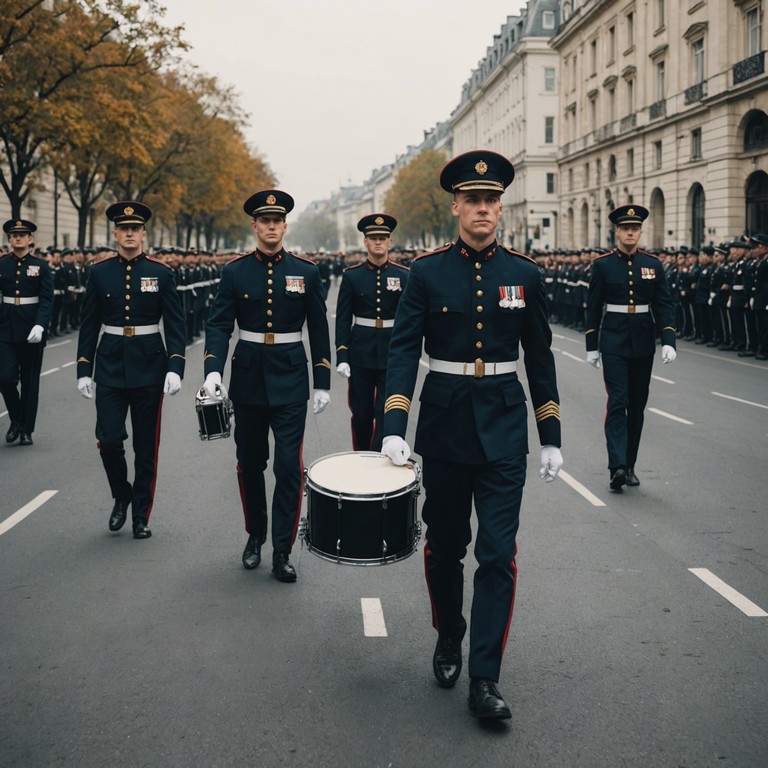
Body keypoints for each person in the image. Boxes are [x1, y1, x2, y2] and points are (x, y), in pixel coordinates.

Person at [381, 151, 563, 721]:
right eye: (473, 200)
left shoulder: (524, 274)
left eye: (491, 201)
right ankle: (448, 632)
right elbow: (404, 350)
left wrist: (550, 433)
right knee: (444, 548)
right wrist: (393, 424)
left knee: (497, 555)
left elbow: (540, 356)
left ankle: (485, 677)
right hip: (443, 426)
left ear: (500, 208)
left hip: (506, 428)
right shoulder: (427, 273)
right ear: (457, 206)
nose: (483, 208)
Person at [203, 189, 331, 582]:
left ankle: (282, 548)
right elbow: (220, 324)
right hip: (249, 379)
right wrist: (212, 370)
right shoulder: (235, 271)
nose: (271, 226)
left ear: (284, 225)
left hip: (291, 378)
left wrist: (322, 381)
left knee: (289, 467)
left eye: (277, 221)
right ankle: (255, 533)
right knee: (251, 463)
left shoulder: (306, 271)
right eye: (265, 221)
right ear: (255, 226)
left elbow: (319, 329)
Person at [76, 201, 186, 539]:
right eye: (123, 228)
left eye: (134, 228)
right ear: (115, 233)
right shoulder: (99, 272)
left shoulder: (163, 272)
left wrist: (175, 366)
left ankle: (140, 514)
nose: (129, 233)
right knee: (108, 439)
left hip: (149, 365)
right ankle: (121, 495)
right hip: (109, 364)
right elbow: (89, 323)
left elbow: (177, 325)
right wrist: (83, 368)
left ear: (143, 233)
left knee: (145, 446)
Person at [584, 205, 677, 490]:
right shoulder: (602, 265)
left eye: (635, 229)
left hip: (643, 342)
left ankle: (631, 464)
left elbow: (663, 305)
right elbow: (594, 306)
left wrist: (669, 340)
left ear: (640, 231)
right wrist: (592, 345)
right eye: (625, 228)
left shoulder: (653, 264)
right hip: (613, 341)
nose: (630, 233)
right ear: (617, 231)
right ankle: (617, 467)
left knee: (636, 407)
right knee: (618, 402)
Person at [335, 213, 409, 451]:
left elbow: (409, 319)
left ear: (389, 242)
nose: (378, 242)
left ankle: (378, 457)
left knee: (386, 411)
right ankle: (361, 456)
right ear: (365, 242)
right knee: (362, 414)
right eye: (373, 238)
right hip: (361, 353)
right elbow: (343, 320)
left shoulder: (403, 275)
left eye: (383, 237)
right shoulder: (352, 276)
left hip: (391, 353)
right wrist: (342, 356)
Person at [0, 219, 53, 446]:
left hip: (32, 328)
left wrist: (40, 325)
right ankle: (16, 418)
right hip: (6, 328)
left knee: (30, 383)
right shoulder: (2, 264)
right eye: (14, 235)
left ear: (30, 238)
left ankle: (26, 429)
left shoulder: (41, 266)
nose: (18, 238)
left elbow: (47, 300)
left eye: (23, 234)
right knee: (5, 378)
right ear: (9, 239)